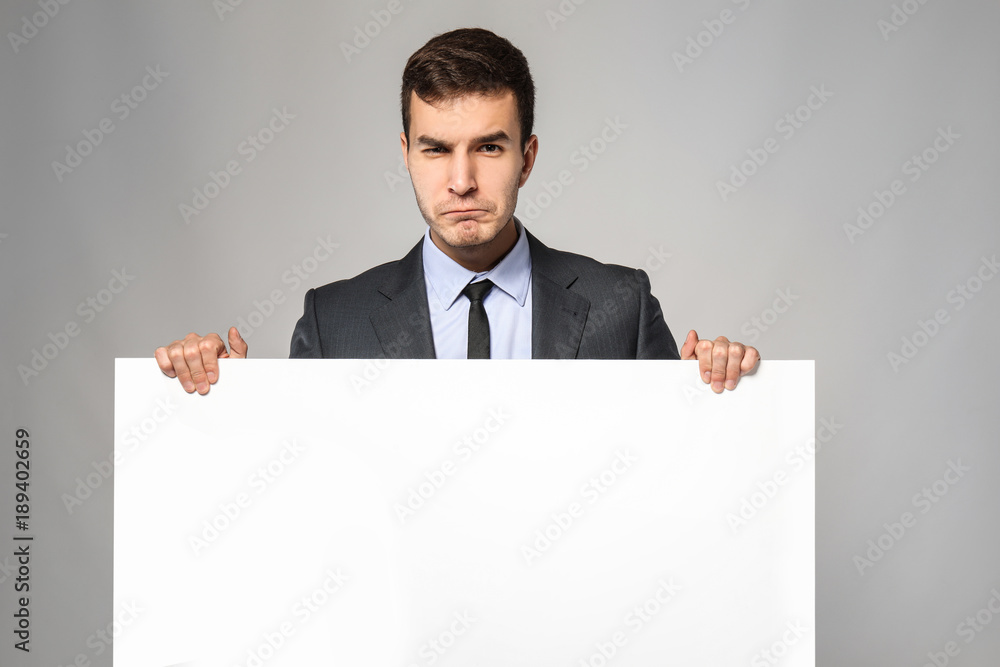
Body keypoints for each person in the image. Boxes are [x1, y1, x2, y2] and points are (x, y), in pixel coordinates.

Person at [155, 28, 759, 394]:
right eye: (437, 149)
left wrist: (713, 394)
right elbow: (304, 497)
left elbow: (670, 488)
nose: (462, 180)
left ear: (527, 157)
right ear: (407, 156)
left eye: (488, 147)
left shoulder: (619, 307)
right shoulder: (333, 321)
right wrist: (231, 407)